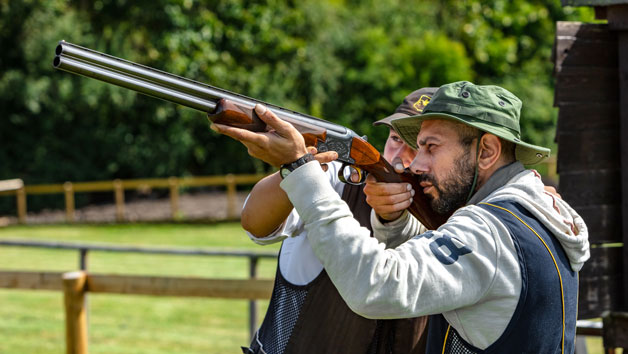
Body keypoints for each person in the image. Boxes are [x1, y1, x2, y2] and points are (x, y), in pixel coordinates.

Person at [211, 81, 590, 353]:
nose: (416, 163)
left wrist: (300, 168)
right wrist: (392, 223)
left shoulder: (487, 231)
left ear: (487, 151)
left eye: (429, 147)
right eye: (404, 142)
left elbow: (378, 286)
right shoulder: (533, 212)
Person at [235, 88, 436, 354]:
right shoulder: (339, 177)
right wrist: (295, 168)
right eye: (397, 138)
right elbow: (255, 222)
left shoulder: (450, 212)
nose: (402, 155)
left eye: (422, 145)